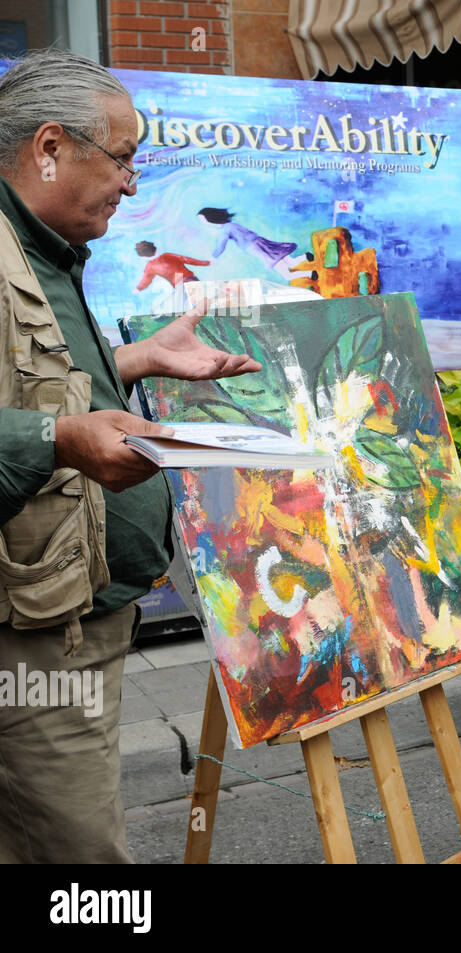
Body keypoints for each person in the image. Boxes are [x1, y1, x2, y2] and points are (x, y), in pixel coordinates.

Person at [0, 49, 261, 863]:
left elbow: (41, 382)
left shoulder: (44, 251)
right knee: (81, 862)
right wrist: (63, 442)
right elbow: (48, 421)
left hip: (76, 615)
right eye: (120, 157)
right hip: (38, 637)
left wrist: (141, 358)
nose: (133, 182)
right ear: (50, 147)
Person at [134, 240, 209, 290]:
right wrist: (205, 263)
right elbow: (187, 259)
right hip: (188, 278)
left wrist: (138, 289)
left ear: (143, 257)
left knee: (197, 303)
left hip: (178, 285)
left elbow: (146, 280)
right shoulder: (167, 255)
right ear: (156, 250)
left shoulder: (149, 267)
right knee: (202, 300)